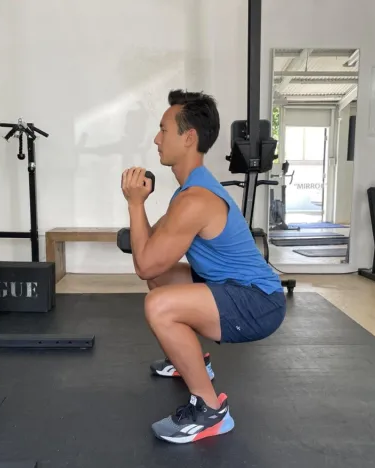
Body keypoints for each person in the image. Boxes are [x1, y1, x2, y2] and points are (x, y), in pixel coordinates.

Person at [121, 89, 286, 444]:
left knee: (158, 305)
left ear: (189, 137)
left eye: (164, 130)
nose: (156, 139)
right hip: (233, 286)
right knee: (164, 279)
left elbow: (144, 264)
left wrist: (135, 204)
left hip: (259, 302)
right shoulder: (191, 190)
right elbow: (155, 257)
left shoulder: (195, 199)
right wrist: (140, 210)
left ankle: (210, 411)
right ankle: (195, 362)